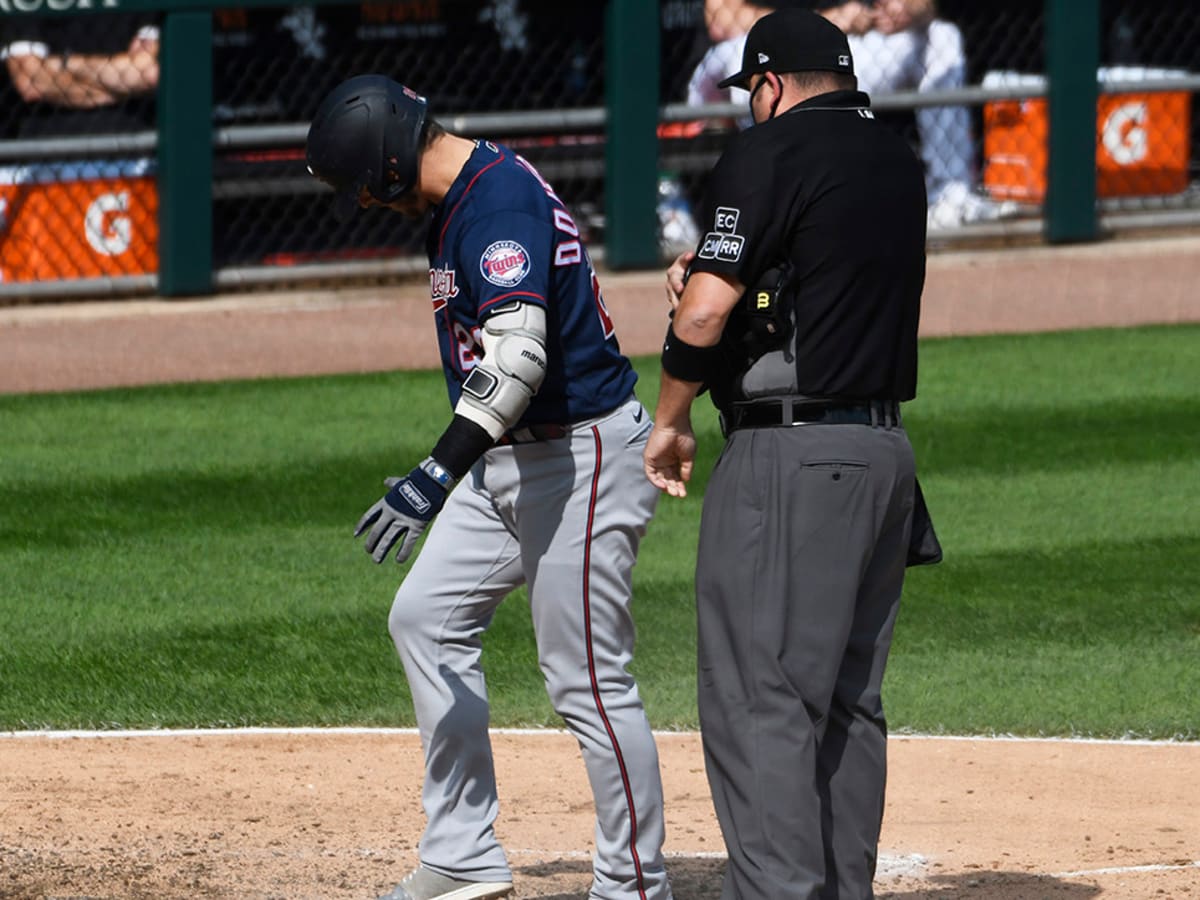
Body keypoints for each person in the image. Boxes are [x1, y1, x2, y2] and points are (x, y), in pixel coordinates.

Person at [305, 75, 673, 900]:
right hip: (511, 457)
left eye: (365, 188)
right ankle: (463, 853)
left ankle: (637, 885)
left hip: (579, 460)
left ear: (392, 165)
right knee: (425, 620)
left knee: (586, 677)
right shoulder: (465, 196)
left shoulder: (495, 205)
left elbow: (518, 360)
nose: (366, 205)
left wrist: (432, 476)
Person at [644, 9, 938, 899]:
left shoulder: (769, 153)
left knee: (758, 695)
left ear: (769, 84)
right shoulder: (899, 158)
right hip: (884, 458)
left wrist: (671, 416)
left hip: (794, 458)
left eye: (752, 93)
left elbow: (702, 315)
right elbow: (822, 274)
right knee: (849, 697)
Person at [848, 0, 1018, 227]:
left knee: (943, 34)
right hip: (836, 48)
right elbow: (783, 19)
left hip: (890, 38)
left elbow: (927, 6)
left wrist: (909, 11)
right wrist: (833, 17)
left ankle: (951, 195)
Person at [0, 12, 159, 137]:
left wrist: (63, 63)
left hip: (136, 149)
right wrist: (119, 85)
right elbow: (31, 81)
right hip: (44, 152)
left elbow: (147, 73)